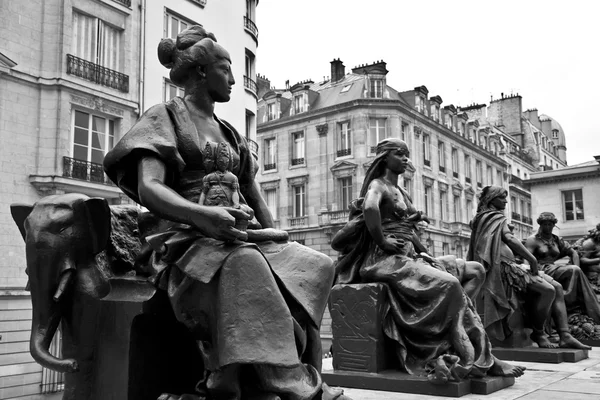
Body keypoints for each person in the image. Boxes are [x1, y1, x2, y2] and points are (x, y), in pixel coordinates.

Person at [104, 25, 345, 400]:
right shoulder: (165, 116)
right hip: (183, 236)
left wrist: (279, 239)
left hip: (235, 234)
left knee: (315, 264)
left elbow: (252, 193)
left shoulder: (229, 132)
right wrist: (201, 216)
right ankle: (285, 378)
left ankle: (281, 365)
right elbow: (150, 187)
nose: (234, 79)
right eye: (225, 68)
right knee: (244, 261)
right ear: (201, 72)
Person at [331, 138, 525, 382]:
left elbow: (406, 227)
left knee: (476, 271)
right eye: (400, 154)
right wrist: (382, 241)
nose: (405, 159)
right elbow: (370, 208)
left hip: (410, 255)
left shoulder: (400, 190)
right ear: (385, 158)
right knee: (451, 284)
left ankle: (449, 320)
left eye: (407, 154)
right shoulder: (378, 185)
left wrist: (422, 245)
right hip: (384, 260)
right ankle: (475, 355)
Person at [467, 186, 590, 350]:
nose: (505, 201)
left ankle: (565, 335)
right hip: (504, 268)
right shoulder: (494, 216)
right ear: (491, 199)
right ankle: (538, 333)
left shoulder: (485, 218)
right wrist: (531, 259)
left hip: (512, 266)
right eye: (502, 198)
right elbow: (509, 238)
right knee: (548, 290)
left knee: (558, 287)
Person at [525, 212, 600, 323]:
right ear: (540, 225)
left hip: (553, 268)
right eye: (544, 224)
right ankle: (569, 299)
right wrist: (530, 273)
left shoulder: (556, 240)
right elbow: (526, 258)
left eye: (550, 224)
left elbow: (574, 253)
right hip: (541, 270)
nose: (547, 227)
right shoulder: (533, 240)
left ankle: (590, 309)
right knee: (573, 270)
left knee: (575, 269)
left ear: (554, 225)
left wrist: (576, 265)